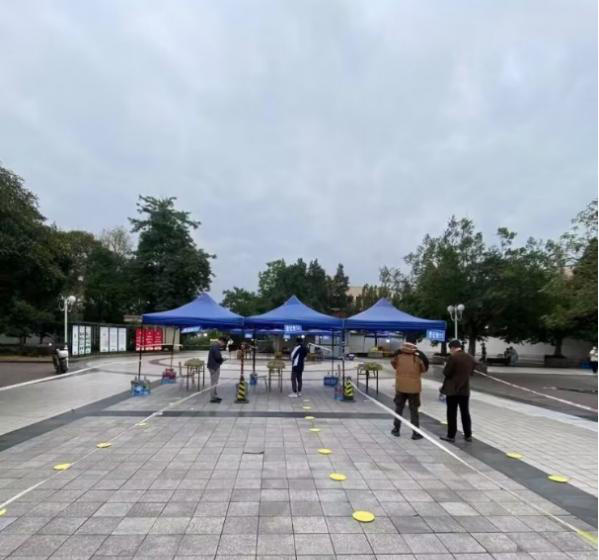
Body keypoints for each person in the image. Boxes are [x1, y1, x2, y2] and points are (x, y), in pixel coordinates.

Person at [390, 342, 427, 441]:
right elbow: (423, 370)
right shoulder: (418, 358)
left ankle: (396, 429)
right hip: (414, 389)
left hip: (400, 387)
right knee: (414, 410)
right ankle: (415, 433)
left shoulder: (398, 357)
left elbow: (394, 365)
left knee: (399, 408)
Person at [441, 339, 476, 443]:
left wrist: (445, 367)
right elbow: (473, 370)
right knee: (465, 412)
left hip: (452, 390)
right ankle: (468, 435)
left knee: (452, 413)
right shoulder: (470, 357)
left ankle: (451, 436)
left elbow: (447, 373)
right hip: (465, 389)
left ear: (452, 348)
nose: (450, 351)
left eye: (450, 349)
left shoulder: (453, 357)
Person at [208, 337, 227, 403]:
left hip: (213, 366)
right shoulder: (215, 346)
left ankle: (214, 396)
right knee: (214, 383)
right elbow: (217, 357)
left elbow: (216, 357)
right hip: (214, 367)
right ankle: (212, 398)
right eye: (223, 343)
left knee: (215, 382)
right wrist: (223, 359)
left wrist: (221, 359)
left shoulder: (215, 346)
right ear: (221, 341)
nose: (223, 345)